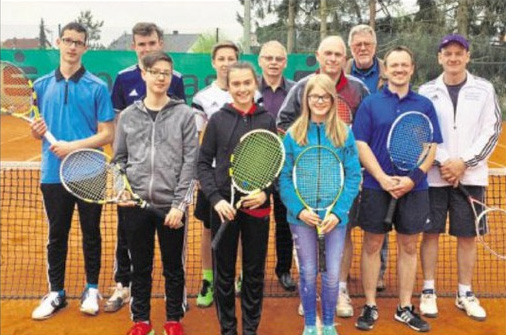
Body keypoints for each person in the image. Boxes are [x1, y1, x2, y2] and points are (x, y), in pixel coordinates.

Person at [277, 35, 369, 317]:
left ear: (345, 58)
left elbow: (363, 132)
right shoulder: (302, 88)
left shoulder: (358, 89)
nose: (332, 58)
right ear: (318, 55)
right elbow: (283, 123)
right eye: (327, 53)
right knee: (307, 261)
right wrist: (307, 147)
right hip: (305, 187)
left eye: (338, 54)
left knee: (344, 234)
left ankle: (338, 289)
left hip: (339, 186)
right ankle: (309, 293)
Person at [352, 46, 442, 333]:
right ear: (386, 70)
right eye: (394, 65)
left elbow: (431, 147)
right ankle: (370, 304)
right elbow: (360, 144)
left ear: (412, 69)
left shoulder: (425, 105)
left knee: (408, 246)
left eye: (405, 64)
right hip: (376, 186)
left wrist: (412, 179)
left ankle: (405, 306)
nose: (400, 69)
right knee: (372, 245)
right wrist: (381, 178)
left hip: (414, 189)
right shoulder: (370, 104)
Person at [30, 22, 115, 320]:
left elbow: (107, 134)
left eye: (78, 42)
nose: (72, 46)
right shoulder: (40, 86)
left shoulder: (97, 86)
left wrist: (73, 147)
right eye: (68, 40)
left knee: (91, 233)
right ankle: (56, 293)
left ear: (85, 47)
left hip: (89, 171)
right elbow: (36, 131)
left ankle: (92, 289)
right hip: (53, 174)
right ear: (58, 42)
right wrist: (37, 130)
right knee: (57, 235)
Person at [418, 34, 502, 321]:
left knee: (468, 237)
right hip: (434, 176)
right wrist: (443, 162)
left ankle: (464, 292)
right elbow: (421, 130)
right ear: (440, 57)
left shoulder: (485, 89)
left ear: (467, 56)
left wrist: (464, 163)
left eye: (459, 53)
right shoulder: (426, 91)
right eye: (448, 53)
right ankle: (428, 290)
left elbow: (491, 130)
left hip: (472, 177)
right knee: (430, 233)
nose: (453, 58)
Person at [114, 51, 198, 335]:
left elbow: (190, 163)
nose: (161, 77)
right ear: (144, 74)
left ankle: (173, 319)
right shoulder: (127, 116)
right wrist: (121, 190)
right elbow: (119, 160)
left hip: (170, 208)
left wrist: (179, 206)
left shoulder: (185, 115)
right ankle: (141, 321)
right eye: (156, 71)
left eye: (166, 72)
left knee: (173, 267)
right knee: (140, 267)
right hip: (135, 206)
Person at [106, 22, 186, 313]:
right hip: (133, 186)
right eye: (141, 45)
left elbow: (181, 132)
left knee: (172, 261)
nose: (147, 49)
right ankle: (122, 287)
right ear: (134, 47)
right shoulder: (123, 79)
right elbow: (119, 131)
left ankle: (176, 306)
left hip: (168, 193)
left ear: (160, 43)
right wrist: (121, 184)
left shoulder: (174, 80)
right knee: (127, 244)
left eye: (151, 43)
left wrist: (180, 198)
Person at [197, 62, 276, 335]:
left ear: (255, 84)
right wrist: (216, 199)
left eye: (246, 83)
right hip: (223, 208)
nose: (242, 89)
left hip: (258, 208)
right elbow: (203, 164)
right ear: (228, 87)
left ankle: (250, 329)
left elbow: (276, 163)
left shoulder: (267, 119)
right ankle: (228, 330)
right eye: (236, 84)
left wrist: (266, 192)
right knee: (224, 275)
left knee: (254, 273)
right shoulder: (218, 120)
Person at [338, 24, 388, 319]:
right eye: (357, 44)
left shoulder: (384, 75)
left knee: (376, 222)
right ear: (351, 48)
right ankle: (336, 280)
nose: (362, 47)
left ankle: (378, 271)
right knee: (344, 226)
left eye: (367, 43)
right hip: (345, 164)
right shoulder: (341, 77)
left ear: (375, 45)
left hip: (377, 159)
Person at [192, 40, 240, 308]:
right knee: (209, 229)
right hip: (212, 178)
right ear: (213, 63)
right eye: (221, 58)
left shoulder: (249, 93)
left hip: (242, 176)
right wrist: (203, 174)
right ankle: (208, 280)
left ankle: (239, 277)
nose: (226, 63)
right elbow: (200, 139)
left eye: (231, 58)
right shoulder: (202, 98)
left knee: (240, 228)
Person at [257, 40, 297, 292]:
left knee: (285, 222)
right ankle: (254, 272)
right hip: (255, 165)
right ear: (260, 60)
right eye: (268, 58)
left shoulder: (295, 90)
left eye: (278, 59)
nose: (273, 63)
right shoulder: (249, 89)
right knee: (256, 223)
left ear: (285, 62)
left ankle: (283, 270)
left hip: (287, 167)